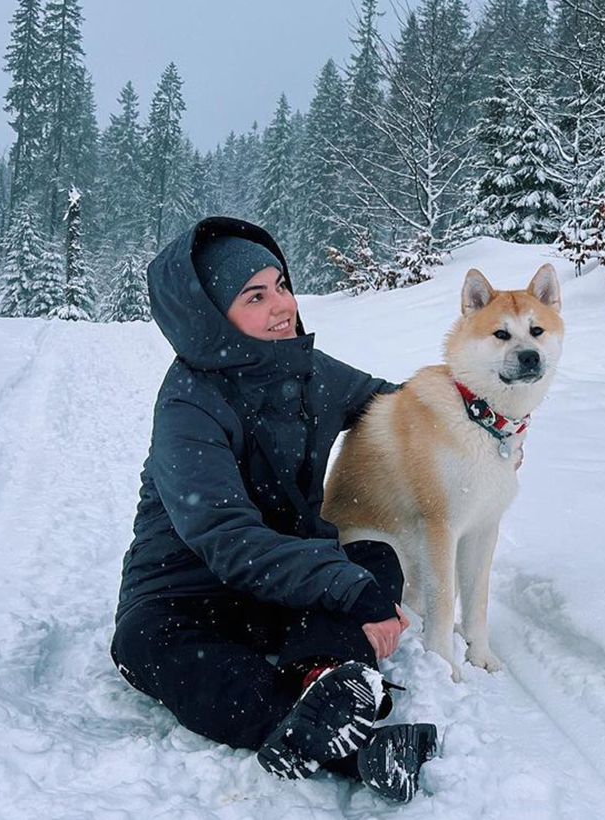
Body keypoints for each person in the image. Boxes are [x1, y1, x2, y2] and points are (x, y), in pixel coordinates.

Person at [110, 217, 436, 803]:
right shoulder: (188, 402)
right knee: (144, 643)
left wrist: (488, 430)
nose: (282, 305)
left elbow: (399, 407)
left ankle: (322, 675)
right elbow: (225, 535)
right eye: (255, 296)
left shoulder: (309, 369)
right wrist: (346, 588)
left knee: (373, 559)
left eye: (281, 285)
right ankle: (332, 733)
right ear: (211, 312)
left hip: (277, 585)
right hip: (185, 593)